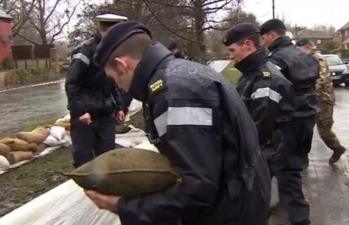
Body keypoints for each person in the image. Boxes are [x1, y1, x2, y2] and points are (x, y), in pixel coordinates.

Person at [86, 20, 270, 225]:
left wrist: (123, 206)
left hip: (230, 210)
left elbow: (198, 188)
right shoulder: (179, 74)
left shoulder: (175, 94)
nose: (118, 86)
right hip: (239, 194)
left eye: (114, 79)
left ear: (122, 64)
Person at [260, 19, 320, 225]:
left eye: (264, 37)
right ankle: (292, 212)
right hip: (307, 120)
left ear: (271, 35)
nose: (263, 42)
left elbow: (274, 90)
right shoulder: (306, 56)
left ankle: (292, 216)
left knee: (275, 171)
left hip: (287, 121)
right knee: (292, 168)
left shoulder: (276, 60)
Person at [223, 22, 294, 180]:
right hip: (257, 155)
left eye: (232, 50)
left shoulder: (265, 80)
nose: (231, 56)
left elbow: (258, 128)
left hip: (261, 157)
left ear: (248, 45)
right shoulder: (251, 73)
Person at [65, 14, 128, 168]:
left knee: (108, 155)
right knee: (84, 158)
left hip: (106, 113)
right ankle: (87, 188)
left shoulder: (113, 51)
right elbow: (71, 83)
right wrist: (80, 112)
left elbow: (113, 81)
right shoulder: (85, 51)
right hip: (86, 116)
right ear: (107, 30)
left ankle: (105, 188)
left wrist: (119, 107)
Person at [297, 39, 346, 164]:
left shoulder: (318, 59)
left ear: (306, 47)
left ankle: (337, 148)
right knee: (305, 129)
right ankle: (303, 156)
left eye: (299, 49)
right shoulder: (305, 59)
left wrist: (308, 92)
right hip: (311, 99)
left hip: (323, 100)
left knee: (324, 129)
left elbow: (321, 79)